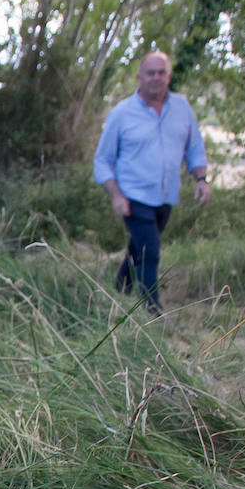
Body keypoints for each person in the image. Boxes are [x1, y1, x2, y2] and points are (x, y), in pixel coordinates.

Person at [93, 51, 211, 315]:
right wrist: (115, 195)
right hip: (133, 196)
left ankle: (119, 291)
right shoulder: (122, 114)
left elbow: (194, 148)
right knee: (150, 252)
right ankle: (152, 312)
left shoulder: (182, 109)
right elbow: (102, 160)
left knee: (138, 249)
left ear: (168, 76)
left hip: (166, 196)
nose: (156, 78)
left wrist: (201, 179)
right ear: (139, 77)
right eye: (150, 73)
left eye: (161, 73)